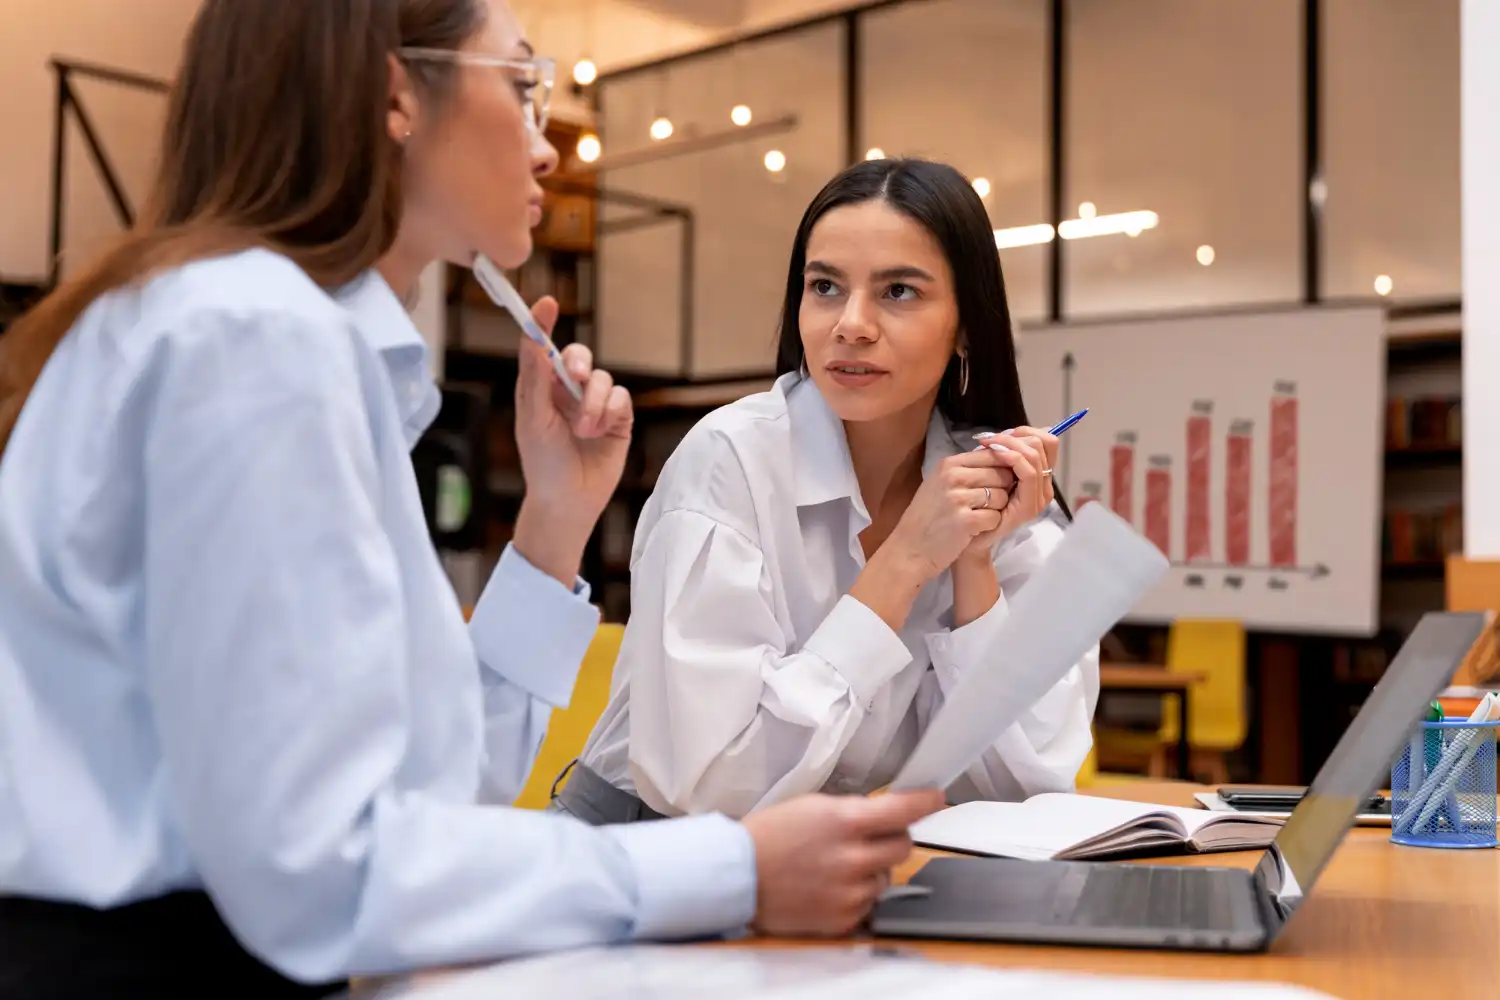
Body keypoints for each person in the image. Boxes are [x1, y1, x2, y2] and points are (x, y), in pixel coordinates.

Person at [0, 2, 943, 996]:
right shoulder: (254, 339)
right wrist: (733, 870)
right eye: (523, 86)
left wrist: (555, 519)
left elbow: (446, 787)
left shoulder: (271, 334)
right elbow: (322, 873)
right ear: (397, 95)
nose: (548, 146)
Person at [559, 158, 1099, 825]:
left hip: (815, 875)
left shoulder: (996, 491)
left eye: (899, 291)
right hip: (638, 853)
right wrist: (904, 560)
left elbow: (1025, 789)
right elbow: (711, 789)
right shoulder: (731, 460)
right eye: (825, 287)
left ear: (966, 325)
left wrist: (972, 567)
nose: (852, 323)